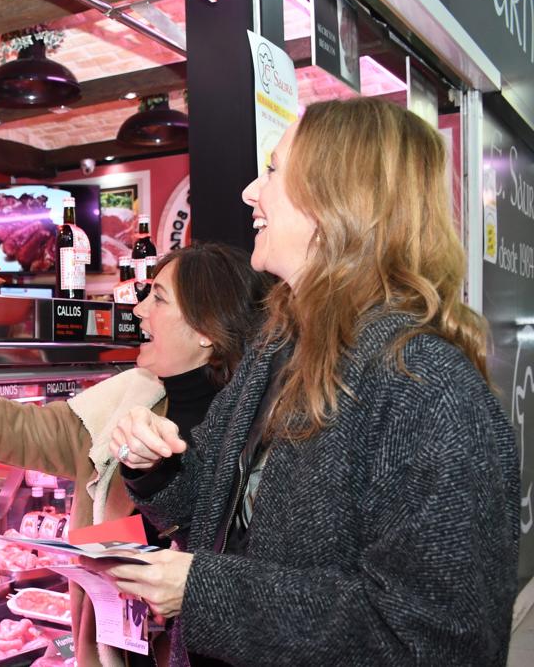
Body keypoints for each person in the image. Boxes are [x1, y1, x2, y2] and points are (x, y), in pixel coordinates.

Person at [103, 97, 520, 666]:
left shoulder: (427, 386)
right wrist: (153, 465)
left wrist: (206, 591)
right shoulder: (275, 348)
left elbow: (440, 644)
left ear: (335, 200)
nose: (251, 191)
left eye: (273, 170)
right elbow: (207, 504)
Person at [0, 242, 271, 667]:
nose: (139, 311)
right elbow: (29, 431)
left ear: (205, 329)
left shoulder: (256, 425)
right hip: (120, 647)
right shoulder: (128, 395)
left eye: (158, 298)